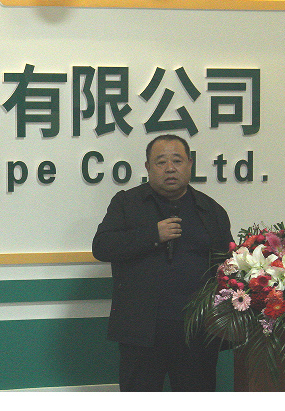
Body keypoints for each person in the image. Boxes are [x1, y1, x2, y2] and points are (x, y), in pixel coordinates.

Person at [92, 133, 231, 392]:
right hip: (141, 332)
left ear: (190, 164)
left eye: (177, 161)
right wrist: (152, 235)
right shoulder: (127, 203)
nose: (170, 168)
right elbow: (102, 246)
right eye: (161, 162)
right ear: (147, 167)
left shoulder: (210, 210)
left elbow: (227, 266)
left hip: (197, 332)